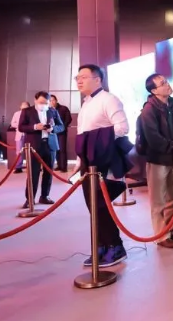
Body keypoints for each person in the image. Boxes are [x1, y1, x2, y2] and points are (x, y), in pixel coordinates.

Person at [74, 64, 131, 268]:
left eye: (83, 77)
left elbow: (123, 127)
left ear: (98, 79)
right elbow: (82, 134)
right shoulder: (86, 103)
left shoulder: (109, 99)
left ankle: (115, 247)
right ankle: (101, 246)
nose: (79, 81)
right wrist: (79, 162)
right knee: (93, 207)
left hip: (105, 161)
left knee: (101, 205)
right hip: (88, 164)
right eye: (77, 77)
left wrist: (95, 139)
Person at [139, 73, 173, 248]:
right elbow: (153, 138)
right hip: (158, 159)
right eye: (162, 83)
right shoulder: (149, 110)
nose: (167, 84)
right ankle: (161, 236)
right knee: (158, 200)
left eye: (166, 81)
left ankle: (170, 231)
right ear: (154, 91)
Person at [18, 91, 64, 206]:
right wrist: (35, 127)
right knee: (33, 173)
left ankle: (45, 196)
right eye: (41, 102)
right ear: (35, 100)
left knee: (49, 172)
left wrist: (53, 129)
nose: (43, 105)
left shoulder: (53, 111)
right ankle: (30, 199)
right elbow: (21, 127)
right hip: (34, 146)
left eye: (46, 103)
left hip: (50, 145)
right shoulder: (27, 111)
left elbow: (61, 126)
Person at [49, 94, 73, 172]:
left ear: (56, 100)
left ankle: (63, 167)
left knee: (62, 149)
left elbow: (68, 119)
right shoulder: (48, 110)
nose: (52, 102)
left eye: (53, 100)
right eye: (50, 100)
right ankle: (59, 165)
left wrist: (63, 127)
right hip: (53, 132)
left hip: (62, 132)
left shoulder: (63, 108)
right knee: (56, 149)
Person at [9, 101, 30, 173]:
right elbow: (12, 123)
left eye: (26, 106)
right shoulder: (16, 113)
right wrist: (20, 125)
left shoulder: (31, 114)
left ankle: (31, 166)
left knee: (30, 151)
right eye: (23, 106)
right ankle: (18, 167)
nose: (24, 107)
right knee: (19, 151)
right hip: (19, 135)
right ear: (20, 107)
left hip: (29, 134)